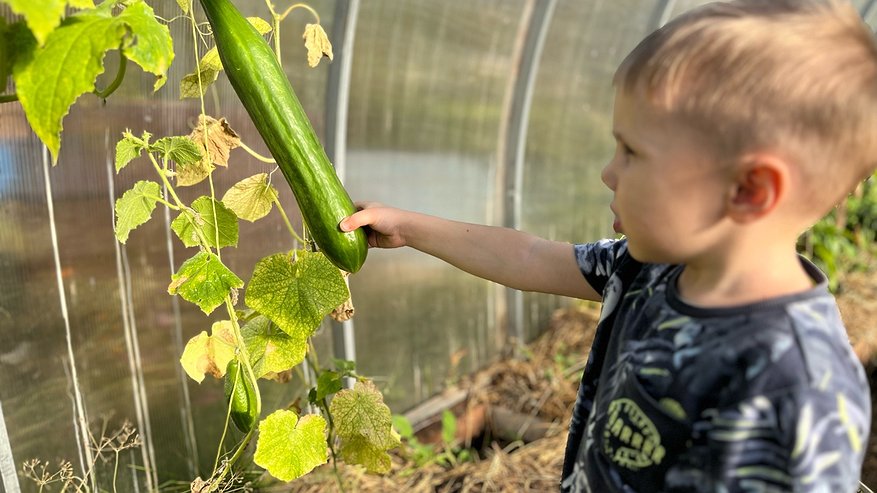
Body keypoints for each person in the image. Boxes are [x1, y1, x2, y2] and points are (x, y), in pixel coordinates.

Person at [340, 0, 877, 490]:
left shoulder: (796, 387)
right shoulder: (655, 267)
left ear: (749, 190)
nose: (607, 172)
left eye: (631, 153)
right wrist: (410, 227)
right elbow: (530, 256)